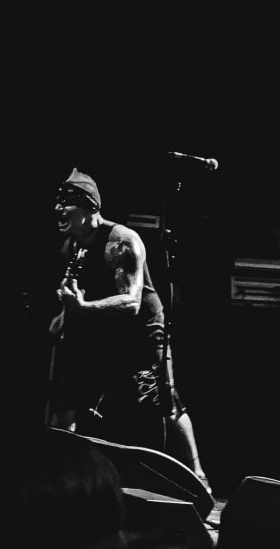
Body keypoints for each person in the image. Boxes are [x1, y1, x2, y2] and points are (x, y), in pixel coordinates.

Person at [49, 169, 209, 492]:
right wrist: (64, 315)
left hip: (141, 332)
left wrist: (82, 308)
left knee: (164, 402)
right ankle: (60, 479)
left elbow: (131, 303)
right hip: (103, 329)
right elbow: (75, 295)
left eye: (66, 203)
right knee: (67, 400)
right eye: (57, 202)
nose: (58, 209)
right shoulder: (71, 247)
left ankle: (199, 476)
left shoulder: (122, 242)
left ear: (89, 206)